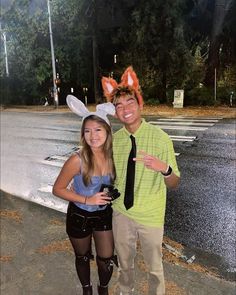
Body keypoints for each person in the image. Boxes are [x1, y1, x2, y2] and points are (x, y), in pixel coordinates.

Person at [101, 66, 180, 295]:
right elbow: (109, 174)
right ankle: (126, 291)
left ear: (140, 104)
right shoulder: (114, 140)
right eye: (119, 106)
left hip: (151, 217)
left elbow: (174, 183)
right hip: (121, 214)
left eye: (129, 102)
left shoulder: (160, 138)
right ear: (115, 112)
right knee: (124, 265)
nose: (125, 109)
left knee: (155, 269)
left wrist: (163, 168)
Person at [53, 95, 119, 295]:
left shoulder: (114, 155)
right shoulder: (77, 159)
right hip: (79, 215)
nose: (93, 135)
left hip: (103, 215)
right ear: (83, 134)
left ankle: (103, 288)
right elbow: (58, 189)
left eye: (98, 129)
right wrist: (86, 199)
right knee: (82, 256)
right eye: (87, 131)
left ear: (107, 131)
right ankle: (86, 289)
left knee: (106, 257)